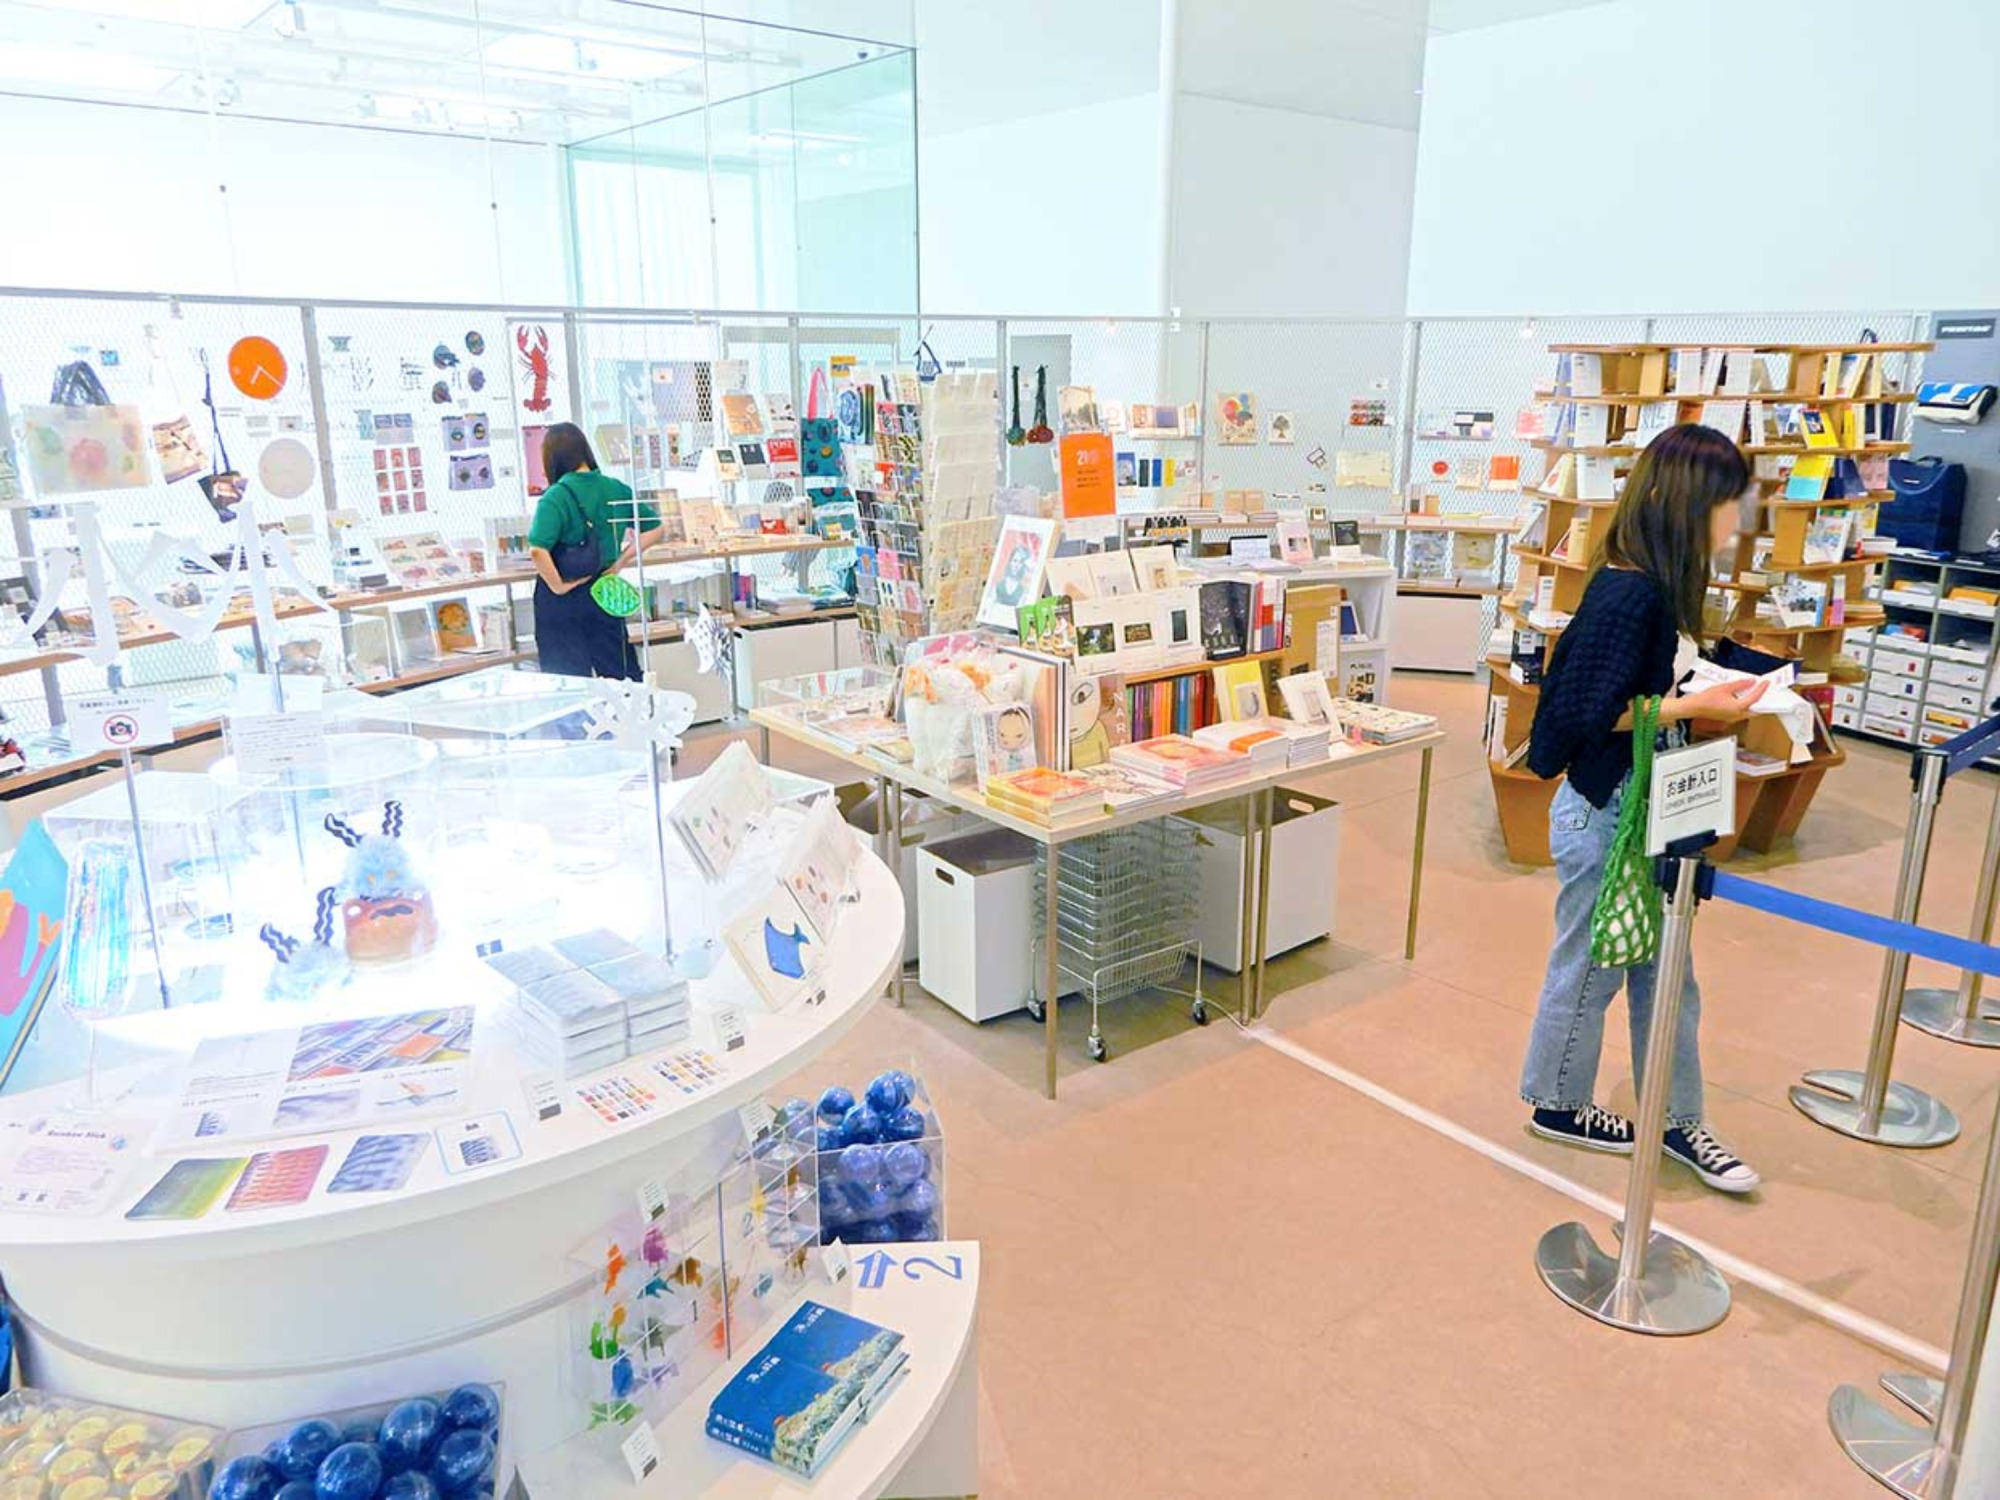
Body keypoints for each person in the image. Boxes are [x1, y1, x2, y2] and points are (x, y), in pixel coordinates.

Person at [1519, 423, 1770, 1194]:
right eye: (1729, 504)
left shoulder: (1655, 585)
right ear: (1691, 503)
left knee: (1666, 974)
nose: (1737, 521)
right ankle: (1559, 1104)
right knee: (1597, 965)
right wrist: (1692, 707)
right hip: (1612, 807)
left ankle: (1674, 1115)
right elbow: (1580, 715)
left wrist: (1706, 689)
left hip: (1651, 801)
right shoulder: (1631, 592)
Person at [527, 424, 663, 680]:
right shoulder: (615, 487)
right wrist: (621, 561)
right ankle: (627, 708)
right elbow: (656, 529)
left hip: (564, 599)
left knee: (567, 679)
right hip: (605, 588)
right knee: (619, 672)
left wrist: (558, 586)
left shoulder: (555, 496)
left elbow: (538, 550)